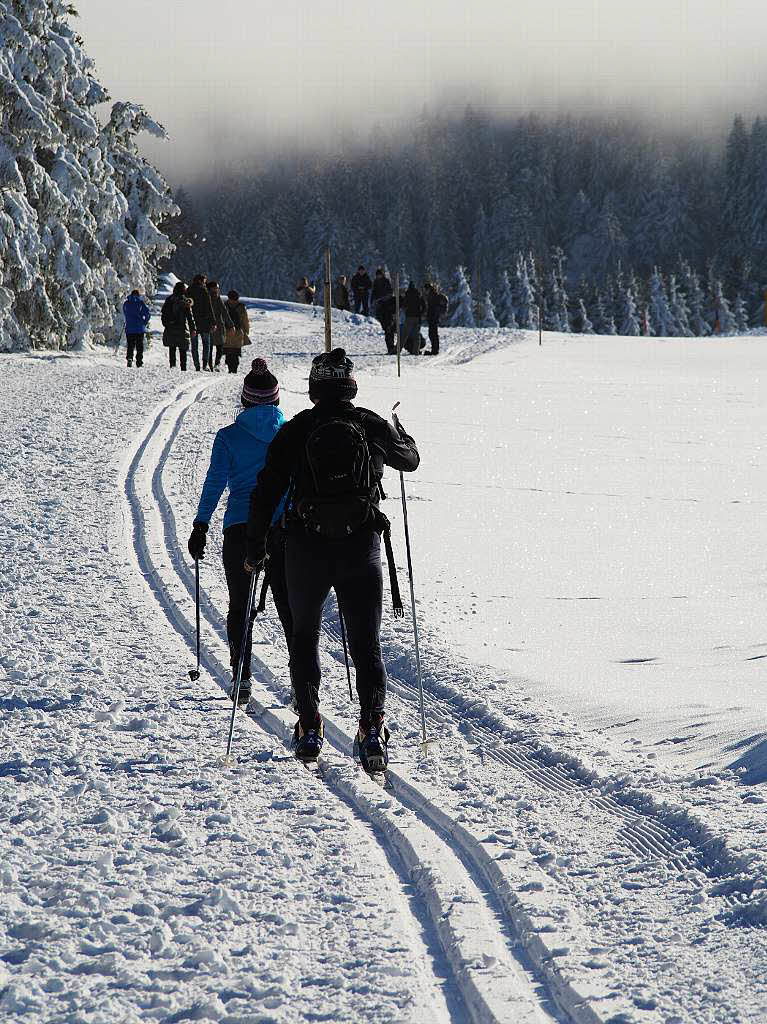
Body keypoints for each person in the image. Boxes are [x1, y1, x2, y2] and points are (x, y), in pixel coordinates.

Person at [245, 348, 420, 769]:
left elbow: (267, 488)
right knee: (366, 642)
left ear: (313, 388)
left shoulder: (299, 428)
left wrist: (255, 547)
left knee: (304, 636)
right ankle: (372, 727)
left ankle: (308, 725)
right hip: (360, 545)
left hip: (306, 546)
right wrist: (403, 433)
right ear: (350, 384)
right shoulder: (368, 423)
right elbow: (410, 461)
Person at [188, 360, 291, 703]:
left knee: (240, 605)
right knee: (290, 607)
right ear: (276, 400)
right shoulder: (289, 434)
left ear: (245, 401)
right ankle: (301, 682)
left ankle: (241, 676)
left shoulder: (228, 437)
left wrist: (201, 524)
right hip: (281, 529)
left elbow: (215, 482)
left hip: (239, 528)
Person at [161, 281, 196, 370]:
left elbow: (163, 313)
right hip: (182, 328)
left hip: (170, 327)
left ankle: (172, 366)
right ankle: (183, 367)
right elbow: (190, 316)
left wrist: (166, 324)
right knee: (182, 349)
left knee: (172, 347)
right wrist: (193, 329)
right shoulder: (185, 301)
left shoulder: (169, 299)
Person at [187, 274, 216, 371]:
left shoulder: (189, 290)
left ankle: (197, 365)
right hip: (205, 321)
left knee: (194, 345)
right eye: (204, 281)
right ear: (200, 280)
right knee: (206, 343)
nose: (205, 283)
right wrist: (213, 322)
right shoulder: (204, 290)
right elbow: (209, 307)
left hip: (192, 321)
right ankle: (205, 364)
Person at [207, 280, 234, 371]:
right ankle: (214, 364)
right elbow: (224, 312)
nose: (217, 289)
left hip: (214, 325)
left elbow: (224, 312)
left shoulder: (212, 298)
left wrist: (230, 324)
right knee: (217, 346)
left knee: (213, 346)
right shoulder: (215, 299)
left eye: (217, 288)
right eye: (215, 288)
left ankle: (212, 364)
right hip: (215, 325)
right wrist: (230, 324)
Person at [223, 290, 250, 373]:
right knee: (236, 352)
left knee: (228, 351)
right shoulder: (241, 306)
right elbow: (245, 320)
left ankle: (230, 368)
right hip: (238, 332)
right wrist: (246, 331)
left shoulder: (224, 305)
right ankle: (234, 369)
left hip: (226, 332)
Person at [122, 289, 150, 367]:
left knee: (130, 345)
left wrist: (128, 319)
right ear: (138, 295)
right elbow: (147, 313)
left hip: (129, 328)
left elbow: (125, 312)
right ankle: (139, 361)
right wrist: (144, 322)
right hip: (139, 328)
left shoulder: (126, 303)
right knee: (139, 346)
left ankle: (130, 358)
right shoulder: (141, 303)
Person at [401, 281, 426, 355]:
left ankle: (398, 350)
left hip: (409, 317)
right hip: (417, 317)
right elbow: (424, 306)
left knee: (404, 335)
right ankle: (416, 351)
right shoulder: (419, 295)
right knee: (417, 336)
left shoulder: (407, 295)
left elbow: (404, 305)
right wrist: (421, 314)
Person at [424, 281, 448, 355]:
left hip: (433, 317)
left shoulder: (433, 295)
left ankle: (435, 350)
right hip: (433, 317)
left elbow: (433, 307)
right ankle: (434, 349)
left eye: (426, 289)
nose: (425, 291)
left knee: (433, 334)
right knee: (432, 334)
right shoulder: (433, 295)